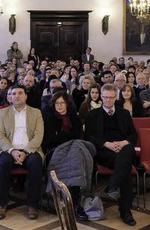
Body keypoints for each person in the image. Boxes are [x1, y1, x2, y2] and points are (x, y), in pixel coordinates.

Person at [84, 84, 138, 226]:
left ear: (116, 97)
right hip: (104, 151)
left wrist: (123, 142)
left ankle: (112, 186)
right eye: (105, 97)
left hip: (123, 148)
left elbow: (133, 135)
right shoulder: (92, 115)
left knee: (127, 152)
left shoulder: (124, 113)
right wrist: (107, 144)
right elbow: (89, 137)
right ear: (101, 97)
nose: (108, 100)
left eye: (111, 97)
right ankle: (125, 211)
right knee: (125, 168)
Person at [0, 85, 44, 220]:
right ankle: (2, 204)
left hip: (31, 149)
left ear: (25, 96)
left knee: (36, 163)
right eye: (13, 93)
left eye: (20, 93)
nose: (17, 96)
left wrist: (26, 152)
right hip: (8, 149)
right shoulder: (3, 112)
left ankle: (32, 204)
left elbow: (39, 135)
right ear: (10, 97)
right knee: (3, 163)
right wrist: (12, 150)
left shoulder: (36, 112)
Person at [42, 91, 92, 221]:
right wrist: (66, 136)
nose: (59, 106)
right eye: (57, 103)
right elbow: (50, 139)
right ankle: (65, 201)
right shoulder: (49, 118)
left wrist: (61, 135)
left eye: (62, 103)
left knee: (76, 161)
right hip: (56, 150)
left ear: (67, 104)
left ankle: (75, 203)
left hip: (74, 148)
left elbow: (77, 136)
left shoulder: (74, 118)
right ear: (54, 105)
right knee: (73, 161)